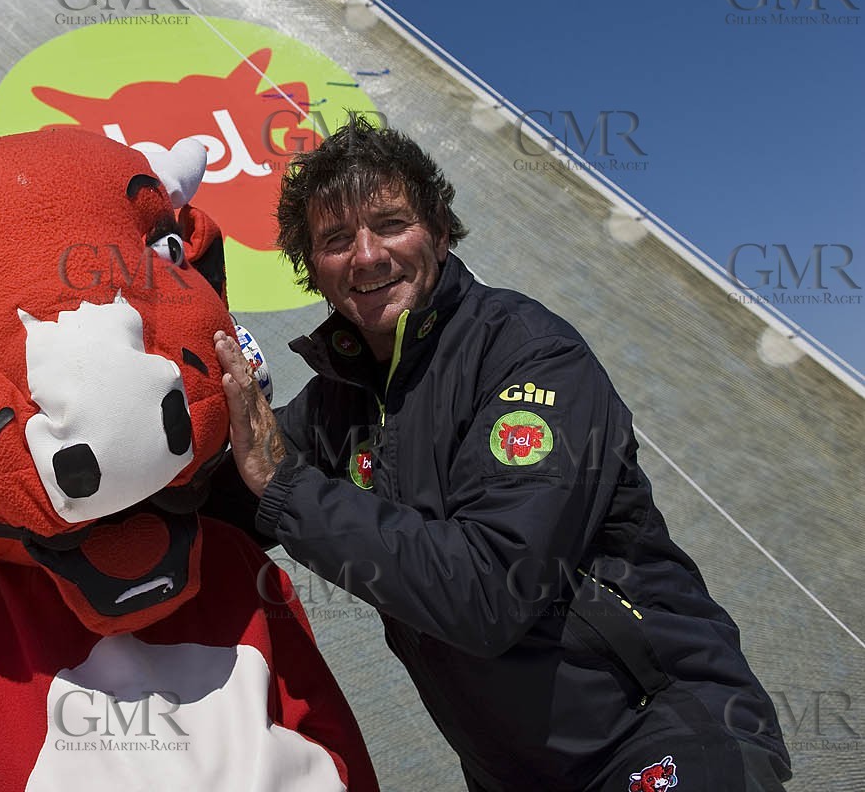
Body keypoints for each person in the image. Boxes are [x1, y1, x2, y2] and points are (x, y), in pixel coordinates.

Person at [210, 116, 791, 791]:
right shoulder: (336, 406)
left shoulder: (529, 354)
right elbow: (202, 498)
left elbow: (491, 591)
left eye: (391, 224)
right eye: (337, 239)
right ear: (313, 270)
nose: (367, 255)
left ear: (440, 230)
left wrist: (286, 485)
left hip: (656, 738)